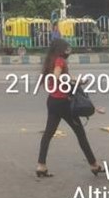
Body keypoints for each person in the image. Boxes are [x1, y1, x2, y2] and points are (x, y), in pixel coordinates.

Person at [36, 38, 104, 177]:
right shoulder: (60, 60)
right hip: (63, 102)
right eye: (66, 49)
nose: (68, 52)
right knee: (80, 134)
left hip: (53, 101)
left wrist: (76, 79)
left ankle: (41, 166)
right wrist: (74, 81)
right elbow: (57, 76)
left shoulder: (50, 60)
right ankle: (94, 165)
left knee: (48, 134)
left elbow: (61, 76)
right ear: (60, 49)